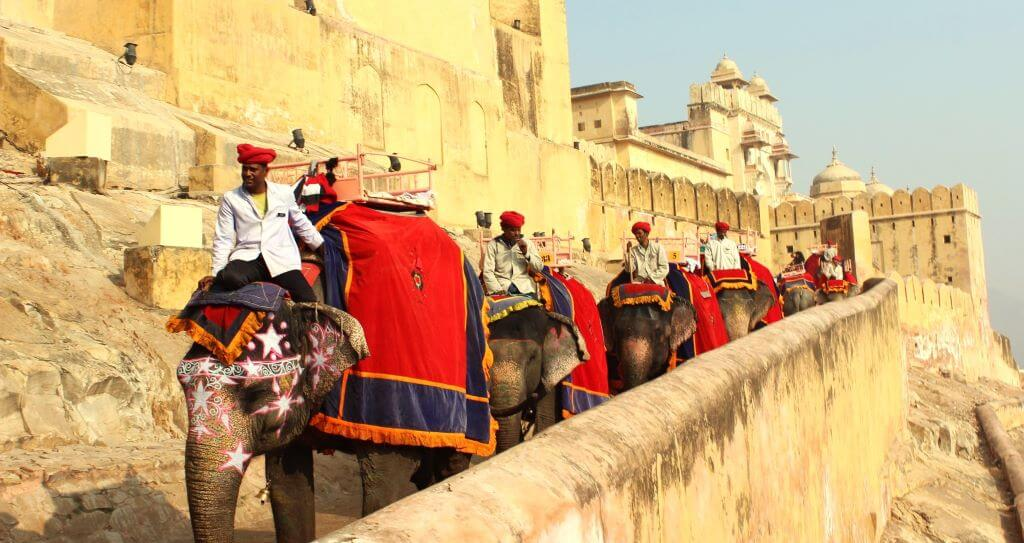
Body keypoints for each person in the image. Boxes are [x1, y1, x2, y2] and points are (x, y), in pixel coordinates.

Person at [197, 143, 324, 302]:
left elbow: (300, 222)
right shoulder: (231, 198)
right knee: (229, 277)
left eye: (253, 169)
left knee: (308, 300)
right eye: (245, 169)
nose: (248, 174)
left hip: (280, 259)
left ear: (266, 171)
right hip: (247, 258)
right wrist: (216, 274)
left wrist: (319, 245)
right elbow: (224, 238)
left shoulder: (283, 193)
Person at [482, 211, 543, 297]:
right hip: (503, 288)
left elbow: (539, 268)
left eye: (518, 230)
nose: (517, 233)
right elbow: (488, 271)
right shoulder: (493, 245)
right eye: (512, 230)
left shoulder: (528, 243)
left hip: (525, 288)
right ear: (504, 229)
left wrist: (526, 253)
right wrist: (497, 291)